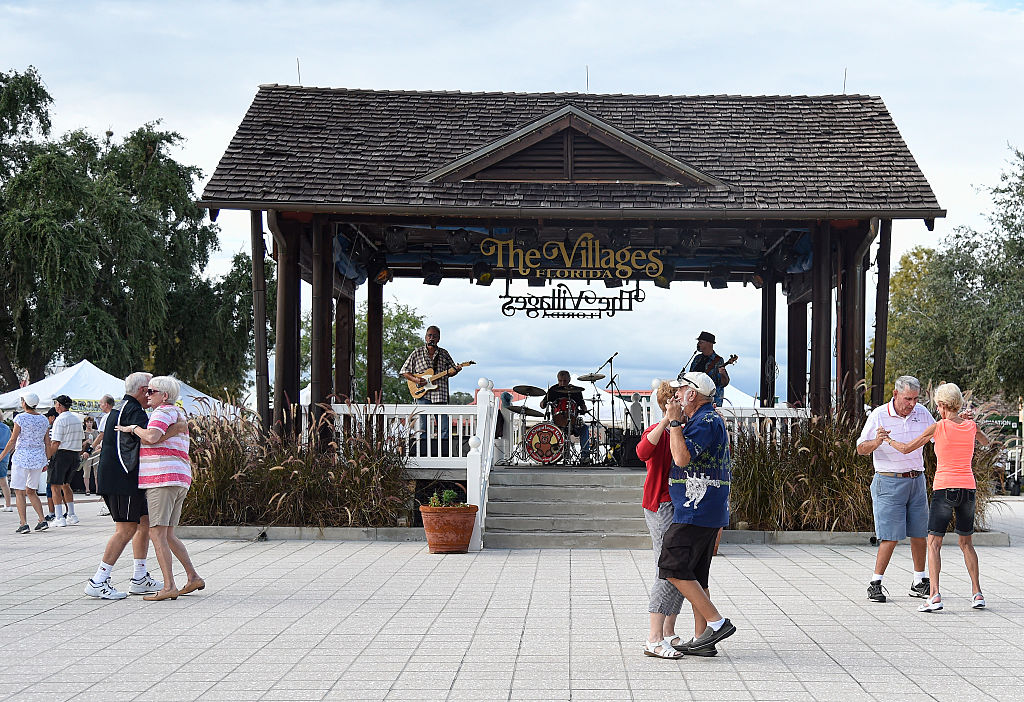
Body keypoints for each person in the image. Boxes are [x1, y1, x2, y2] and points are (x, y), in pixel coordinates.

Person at [886, 383, 991, 612]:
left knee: (934, 543)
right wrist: (971, 422)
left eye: (938, 406)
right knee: (966, 543)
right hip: (968, 490)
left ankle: (934, 595)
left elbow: (906, 449)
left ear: (942, 405)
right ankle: (977, 593)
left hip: (945, 489)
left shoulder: (938, 427)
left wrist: (887, 440)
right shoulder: (971, 426)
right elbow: (985, 442)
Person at [661, 372, 736, 655]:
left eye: (680, 390)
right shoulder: (707, 419)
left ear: (692, 394)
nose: (676, 395)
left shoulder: (705, 421)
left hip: (697, 508)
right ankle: (703, 639)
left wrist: (676, 422)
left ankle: (717, 624)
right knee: (697, 575)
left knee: (673, 566)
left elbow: (681, 458)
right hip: (705, 507)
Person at [85, 373, 174, 600]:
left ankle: (139, 576)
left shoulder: (125, 407)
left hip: (127, 478)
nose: (151, 394)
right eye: (150, 390)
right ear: (142, 390)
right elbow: (152, 437)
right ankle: (99, 580)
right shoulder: (132, 410)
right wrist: (180, 427)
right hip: (122, 478)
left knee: (144, 523)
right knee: (126, 529)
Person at [118, 375, 204, 601]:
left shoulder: (162, 412)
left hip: (162, 479)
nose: (147, 395)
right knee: (169, 534)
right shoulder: (178, 413)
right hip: (179, 477)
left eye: (151, 392)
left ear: (164, 396)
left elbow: (152, 437)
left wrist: (134, 428)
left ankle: (169, 586)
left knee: (156, 532)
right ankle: (193, 576)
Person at [856, 375, 934, 603]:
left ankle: (919, 581)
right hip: (888, 481)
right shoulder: (879, 415)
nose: (912, 404)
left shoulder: (922, 413)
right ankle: (875, 583)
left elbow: (939, 436)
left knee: (920, 534)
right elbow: (861, 448)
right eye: (908, 398)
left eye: (916, 398)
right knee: (889, 537)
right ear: (895, 394)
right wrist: (877, 442)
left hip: (916, 480)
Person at [636, 380, 686, 659]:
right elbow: (642, 452)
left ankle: (668, 630)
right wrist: (668, 420)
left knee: (681, 568)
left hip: (682, 505)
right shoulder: (660, 432)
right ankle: (655, 636)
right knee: (667, 566)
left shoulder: (686, 429)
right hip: (661, 504)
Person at [0, 394, 51, 533]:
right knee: (31, 491)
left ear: (24, 403)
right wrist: (47, 459)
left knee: (19, 492)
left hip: (22, 458)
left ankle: (23, 523)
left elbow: (13, 440)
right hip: (38, 458)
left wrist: (1, 456)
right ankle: (42, 519)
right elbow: (47, 442)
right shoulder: (43, 419)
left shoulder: (20, 418)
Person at [400, 326, 461, 440]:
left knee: (444, 426)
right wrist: (416, 380)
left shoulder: (444, 353)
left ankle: (444, 452)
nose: (432, 338)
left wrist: (456, 370)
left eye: (435, 336)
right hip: (422, 394)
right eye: (430, 335)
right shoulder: (417, 353)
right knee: (423, 426)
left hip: (440, 394)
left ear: (439, 338)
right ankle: (423, 451)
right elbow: (404, 371)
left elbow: (450, 372)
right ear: (425, 337)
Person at [47, 394, 84, 527]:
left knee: (54, 486)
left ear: (59, 406)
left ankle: (59, 517)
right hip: (75, 454)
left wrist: (48, 457)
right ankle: (71, 515)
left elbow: (55, 442)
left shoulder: (60, 420)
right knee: (66, 484)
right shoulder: (77, 419)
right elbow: (82, 438)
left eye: (56, 403)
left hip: (62, 454)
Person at [540, 371, 590, 459]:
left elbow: (583, 405)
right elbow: (542, 405)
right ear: (557, 380)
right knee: (546, 429)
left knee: (585, 428)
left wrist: (584, 409)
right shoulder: (553, 390)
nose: (562, 383)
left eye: (565, 381)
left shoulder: (576, 391)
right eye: (560, 381)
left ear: (569, 380)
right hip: (557, 422)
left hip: (573, 421)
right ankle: (550, 457)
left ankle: (585, 457)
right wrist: (544, 403)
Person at [93, 394, 116, 515]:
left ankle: (109, 505)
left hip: (107, 452)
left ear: (106, 404)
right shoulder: (117, 415)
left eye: (101, 403)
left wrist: (91, 447)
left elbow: (101, 434)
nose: (100, 406)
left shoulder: (107, 417)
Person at [81, 415, 99, 495]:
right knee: (86, 472)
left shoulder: (96, 432)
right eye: (87, 422)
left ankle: (98, 489)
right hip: (86, 454)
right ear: (85, 423)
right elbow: (80, 444)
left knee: (97, 472)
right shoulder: (83, 433)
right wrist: (86, 441)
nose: (89, 424)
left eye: (91, 422)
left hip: (96, 453)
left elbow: (99, 441)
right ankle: (87, 490)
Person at [0, 413, 12, 512]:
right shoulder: (6, 428)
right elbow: (12, 442)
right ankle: (8, 505)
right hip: (4, 455)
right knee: (3, 481)